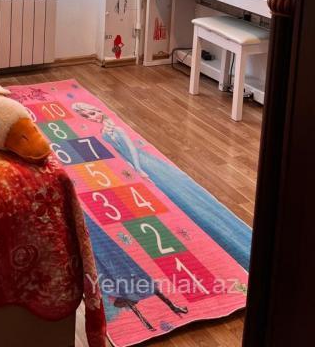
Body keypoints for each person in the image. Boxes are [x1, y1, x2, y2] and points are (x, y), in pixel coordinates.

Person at [72, 102, 252, 270]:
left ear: (100, 111)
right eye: (87, 116)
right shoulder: (104, 132)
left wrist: (138, 168)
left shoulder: (116, 130)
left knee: (176, 195)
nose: (92, 117)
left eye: (92, 113)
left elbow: (132, 149)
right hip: (133, 165)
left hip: (145, 164)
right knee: (162, 202)